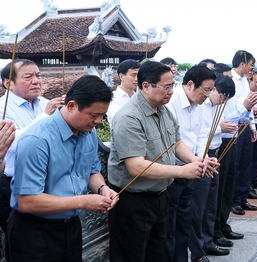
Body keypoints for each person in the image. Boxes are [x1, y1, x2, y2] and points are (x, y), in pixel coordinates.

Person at [8, 75, 119, 261]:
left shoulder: (88, 132)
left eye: (102, 115)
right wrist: (83, 201)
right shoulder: (37, 140)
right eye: (94, 115)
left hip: (71, 226)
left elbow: (92, 170)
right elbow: (27, 201)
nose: (98, 121)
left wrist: (102, 188)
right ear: (71, 106)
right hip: (35, 231)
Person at [107, 61, 206, 262]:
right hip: (133, 201)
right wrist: (182, 171)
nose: (171, 91)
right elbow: (135, 166)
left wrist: (195, 160)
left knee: (156, 253)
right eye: (166, 86)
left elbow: (176, 143)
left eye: (172, 86)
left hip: (160, 196)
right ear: (145, 86)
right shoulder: (129, 117)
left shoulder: (163, 110)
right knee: (131, 255)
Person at [0, 59, 65, 262]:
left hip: (48, 181)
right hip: (14, 184)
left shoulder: (46, 103)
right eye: (28, 77)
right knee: (21, 242)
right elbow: (13, 144)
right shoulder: (3, 107)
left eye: (38, 75)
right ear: (7, 83)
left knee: (50, 239)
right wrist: (46, 117)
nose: (36, 81)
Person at [164, 65, 219, 262]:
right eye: (206, 90)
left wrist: (203, 158)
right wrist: (194, 160)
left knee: (185, 221)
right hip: (173, 171)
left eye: (211, 90)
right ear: (189, 84)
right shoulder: (171, 104)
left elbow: (201, 134)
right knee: (170, 225)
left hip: (192, 169)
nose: (208, 95)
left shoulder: (199, 105)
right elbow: (174, 142)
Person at [189, 74, 236, 261]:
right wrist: (219, 129)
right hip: (201, 157)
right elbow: (199, 132)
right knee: (198, 206)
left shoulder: (217, 106)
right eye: (222, 97)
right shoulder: (201, 105)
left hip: (214, 154)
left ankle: (208, 241)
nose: (222, 101)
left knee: (211, 204)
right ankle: (197, 248)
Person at [230, 50, 257, 216]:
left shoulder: (244, 81)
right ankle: (234, 201)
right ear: (242, 64)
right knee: (236, 165)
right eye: (250, 65)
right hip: (234, 126)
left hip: (246, 125)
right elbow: (236, 105)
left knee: (246, 164)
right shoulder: (230, 79)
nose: (251, 68)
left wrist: (253, 126)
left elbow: (249, 106)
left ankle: (242, 198)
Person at [106, 59, 141, 125]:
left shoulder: (139, 96)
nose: (136, 79)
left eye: (138, 75)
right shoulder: (113, 98)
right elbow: (122, 120)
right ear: (121, 76)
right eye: (133, 75)